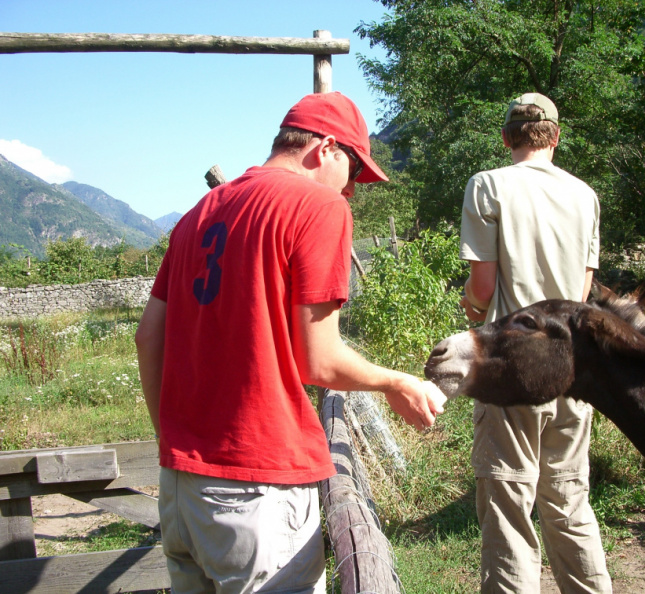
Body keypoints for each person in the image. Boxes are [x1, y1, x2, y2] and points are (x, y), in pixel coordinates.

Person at [135, 91, 443, 594]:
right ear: (326, 148)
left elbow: (148, 338)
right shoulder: (318, 206)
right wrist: (397, 382)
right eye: (354, 171)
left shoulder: (198, 214)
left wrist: (173, 442)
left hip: (180, 485)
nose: (352, 189)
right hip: (258, 485)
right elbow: (319, 360)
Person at [459, 92, 611, 593]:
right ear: (556, 137)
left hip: (512, 367)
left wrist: (472, 309)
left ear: (506, 137)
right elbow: (581, 294)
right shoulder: (585, 195)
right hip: (571, 363)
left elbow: (483, 289)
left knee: (508, 502)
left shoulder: (488, 186)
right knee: (568, 498)